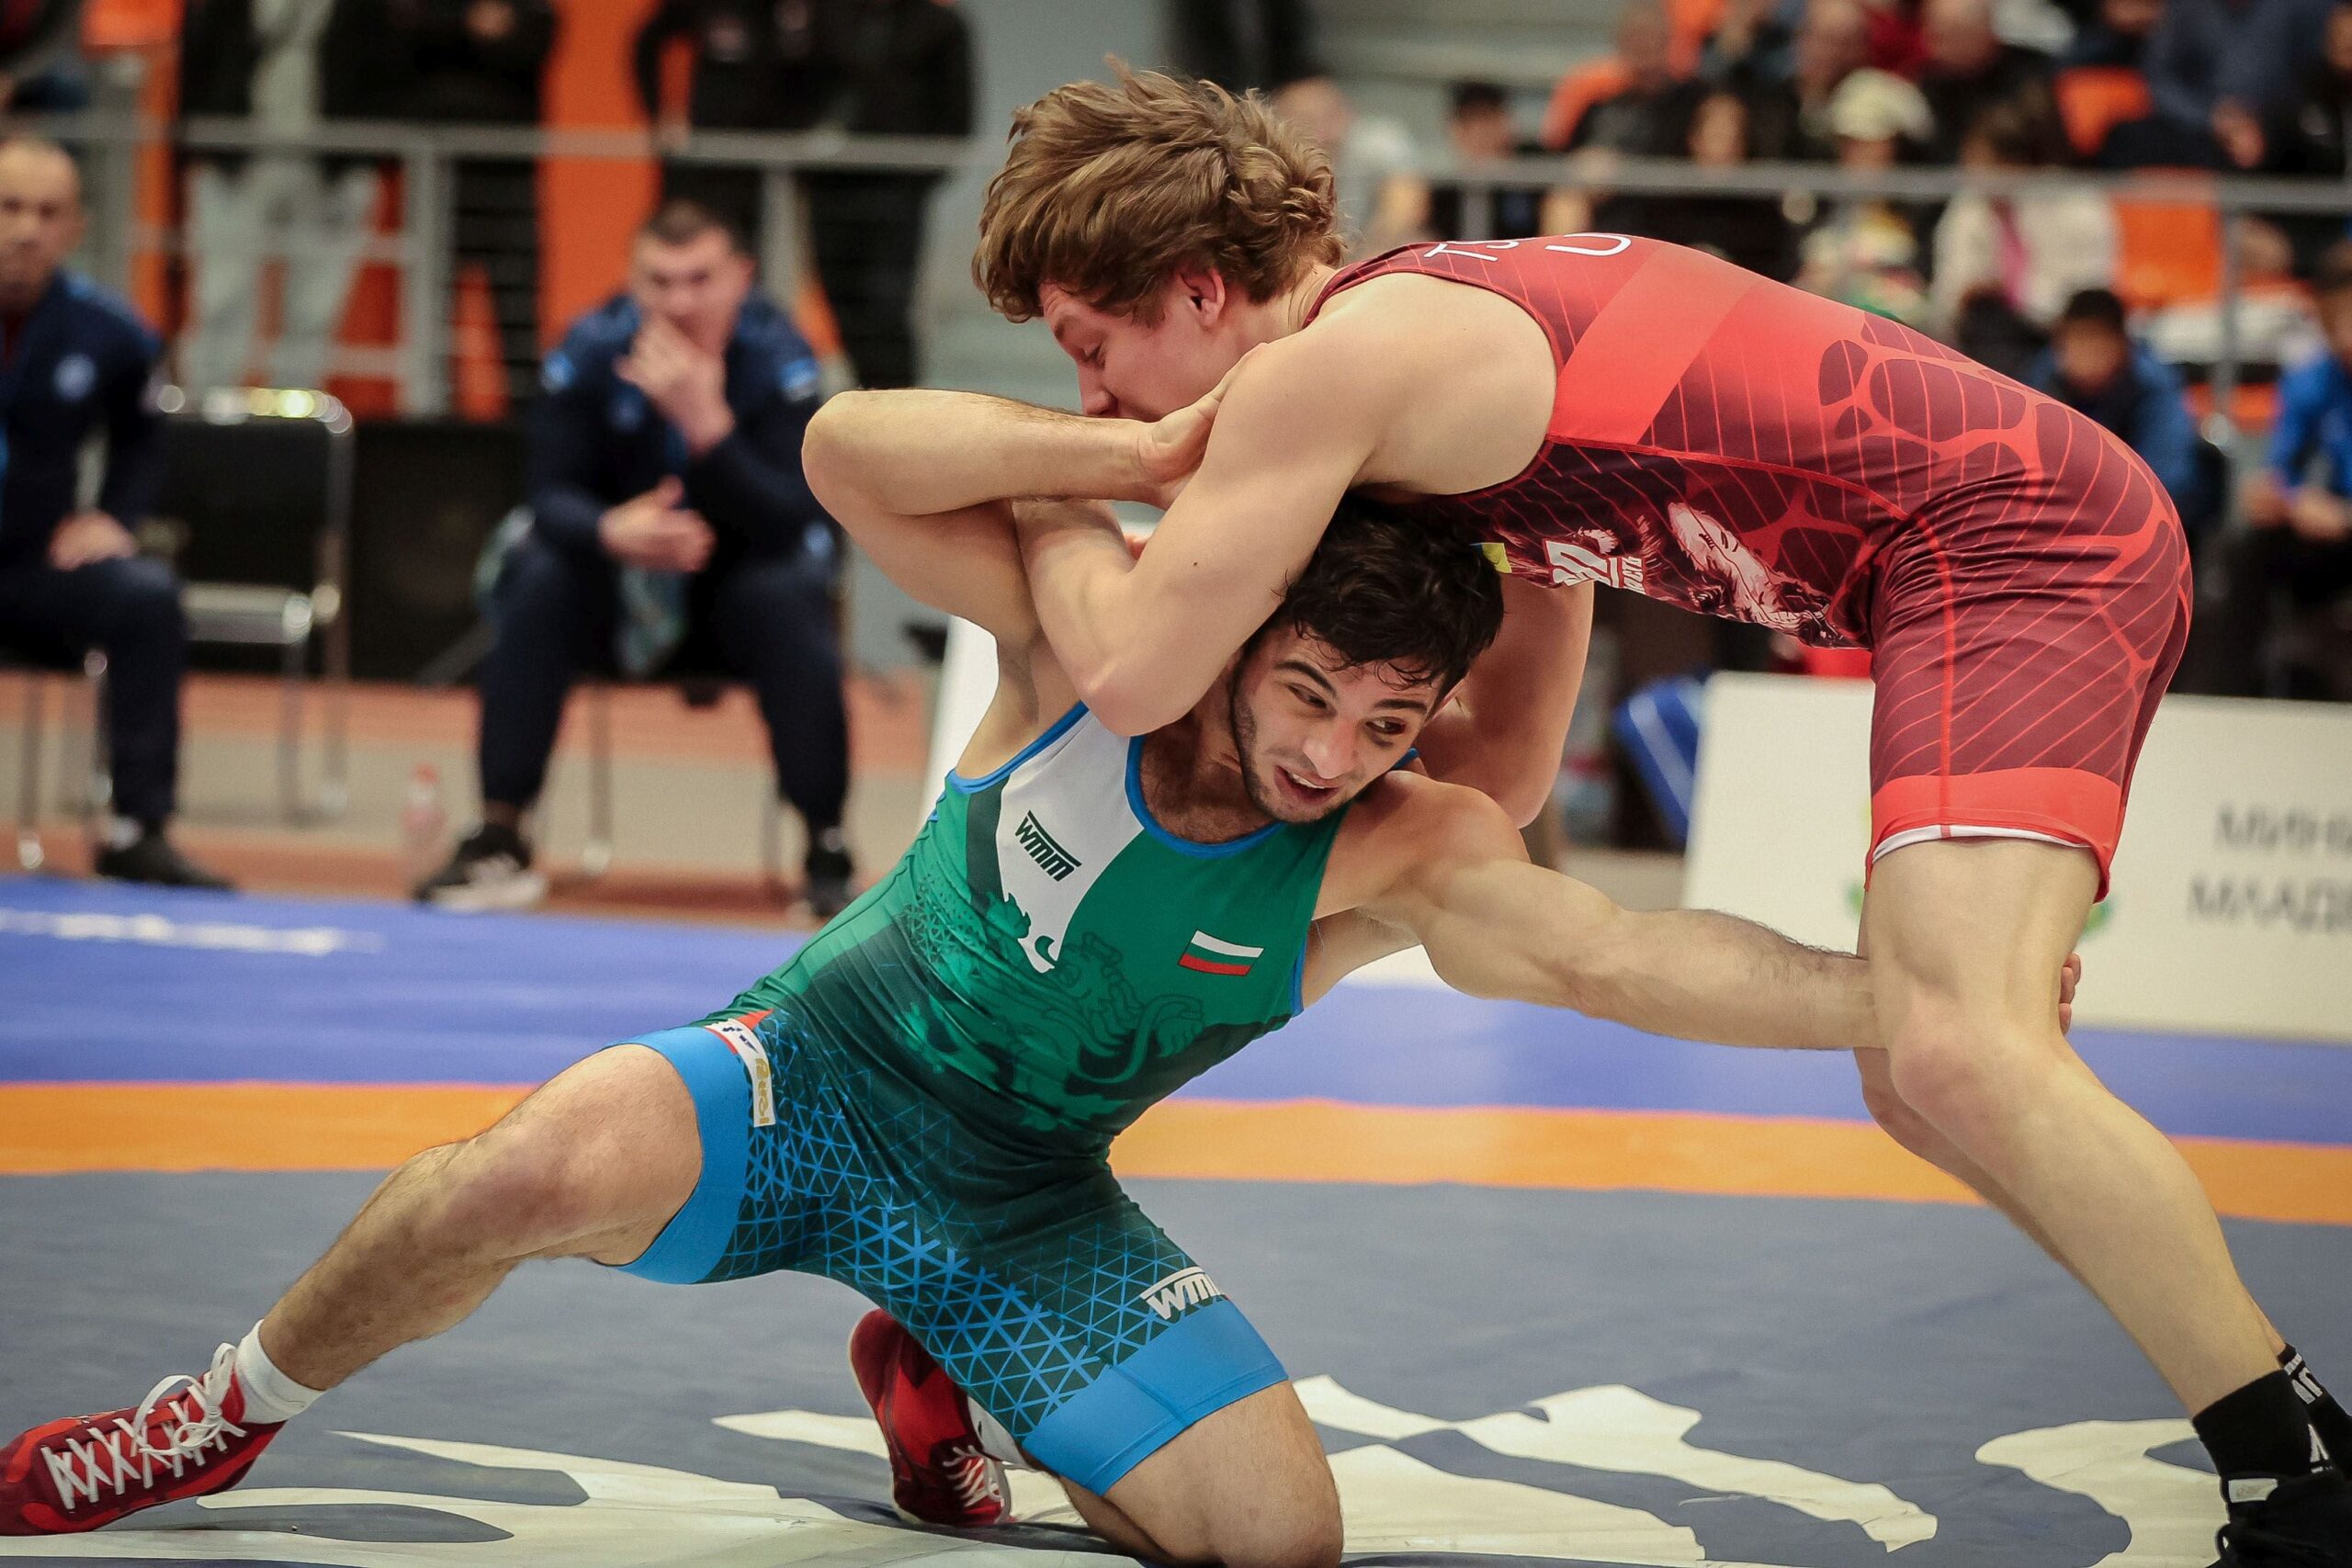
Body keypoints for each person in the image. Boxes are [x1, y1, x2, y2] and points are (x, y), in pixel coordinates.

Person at [0, 416, 2018, 1551]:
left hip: (1025, 1198)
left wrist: (1904, 1001)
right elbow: (850, 456)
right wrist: (1144, 444)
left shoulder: (1403, 840)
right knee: (510, 1176)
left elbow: (1620, 954)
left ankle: (933, 1352)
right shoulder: (1095, 649)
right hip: (800, 1076)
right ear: (1240, 633)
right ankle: (211, 1413)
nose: (1326, 753)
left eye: (1383, 723)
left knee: (1276, 1543)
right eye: (1307, 692)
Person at [944, 67, 2352, 1560]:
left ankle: (2303, 1477)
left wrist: (1057, 494)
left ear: (1199, 288)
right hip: (1986, 547)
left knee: (1957, 1042)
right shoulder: (1426, 369)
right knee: (1922, 1071)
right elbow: (1506, 777)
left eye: (1092, 350)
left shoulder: (1338, 366)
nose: (1097, 401)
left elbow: (1135, 673)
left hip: (2010, 541)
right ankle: (2291, 1429)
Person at [414, 200, 854, 914]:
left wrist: (709, 428)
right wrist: (610, 529)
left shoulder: (783, 358)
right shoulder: (590, 347)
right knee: (539, 577)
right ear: (631, 280)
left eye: (699, 279)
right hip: (613, 590)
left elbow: (794, 516)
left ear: (741, 277)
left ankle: (826, 848)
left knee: (790, 593)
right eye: (659, 281)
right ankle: (499, 833)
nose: (679, 302)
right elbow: (547, 494)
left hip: (733, 593)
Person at [0, 140, 229, 890]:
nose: (26, 230)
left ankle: (138, 829)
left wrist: (115, 517)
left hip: (32, 566)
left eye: (47, 213)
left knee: (146, 596)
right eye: (10, 207)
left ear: (76, 227)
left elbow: (145, 438)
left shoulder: (107, 330)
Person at [175, 0, 400, 391]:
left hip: (330, 166)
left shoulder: (366, 9)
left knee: (314, 308)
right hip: (237, 161)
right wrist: (202, 144)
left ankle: (294, 413)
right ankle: (208, 410)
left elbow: (388, 69)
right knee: (222, 295)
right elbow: (199, 59)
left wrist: (362, 153)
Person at [376, 0, 559, 409]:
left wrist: (455, 35)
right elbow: (403, 35)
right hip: (435, 178)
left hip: (508, 179)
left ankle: (526, 420)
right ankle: (435, 416)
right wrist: (468, 24)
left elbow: (533, 41)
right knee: (431, 316)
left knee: (518, 314)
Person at [2190, 258, 2352, 696]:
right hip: (2325, 528)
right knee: (2249, 548)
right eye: (2335, 315)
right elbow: (2280, 470)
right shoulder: (2311, 379)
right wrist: (2283, 497)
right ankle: (2224, 696)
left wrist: (2344, 515)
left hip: (2343, 518)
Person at [797, 0, 975, 390]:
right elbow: (797, 90)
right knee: (840, 304)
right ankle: (867, 398)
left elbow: (957, 115)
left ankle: (896, 405)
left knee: (887, 309)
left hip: (897, 193)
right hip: (830, 190)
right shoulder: (826, 15)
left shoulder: (940, 25)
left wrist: (916, 181)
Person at [1928, 99, 2119, 377]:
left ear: (2014, 164)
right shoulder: (1968, 206)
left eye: (1980, 162)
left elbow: (2091, 297)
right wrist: (1970, 292)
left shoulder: (2075, 204)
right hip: (1990, 336)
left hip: (2061, 337)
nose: (1969, 173)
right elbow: (1947, 296)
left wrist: (2015, 292)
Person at [2027, 288, 2214, 541]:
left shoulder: (2155, 386)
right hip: (2058, 523)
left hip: (2141, 527)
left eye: (2096, 342)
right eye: (2076, 341)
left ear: (2122, 343)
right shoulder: (2040, 381)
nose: (2085, 355)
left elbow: (2169, 482)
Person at [1914, 0, 2063, 164]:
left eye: (1942, 36)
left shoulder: (2031, 77)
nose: (1932, 46)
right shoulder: (1931, 82)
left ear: (1979, 32)